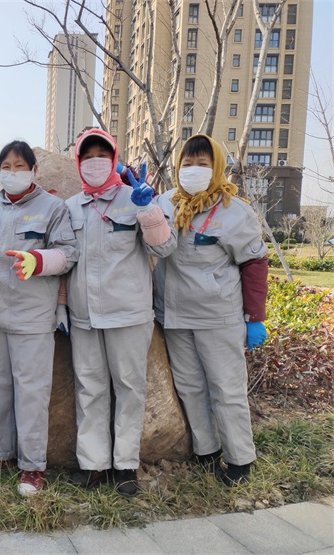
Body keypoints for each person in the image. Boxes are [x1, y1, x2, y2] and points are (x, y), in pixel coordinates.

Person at [0, 140, 78, 496]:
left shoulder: (53, 208)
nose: (12, 172)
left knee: (32, 392)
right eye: (5, 167)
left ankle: (32, 466)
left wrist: (39, 261)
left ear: (33, 170)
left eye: (19, 166)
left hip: (32, 316)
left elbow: (68, 253)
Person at [62, 128, 177, 497]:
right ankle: (93, 464)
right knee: (89, 389)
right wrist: (62, 306)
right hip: (84, 316)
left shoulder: (135, 198)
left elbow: (164, 248)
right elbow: (65, 259)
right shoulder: (70, 207)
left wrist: (148, 210)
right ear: (78, 162)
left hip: (128, 314)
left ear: (113, 159)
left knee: (129, 389)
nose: (95, 161)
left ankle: (126, 465)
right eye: (88, 155)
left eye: (102, 154)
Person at [154, 134, 268, 486]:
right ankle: (207, 450)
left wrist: (255, 317)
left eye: (202, 164)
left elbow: (254, 263)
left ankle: (240, 459)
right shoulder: (165, 203)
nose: (193, 170)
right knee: (190, 386)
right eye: (187, 163)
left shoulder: (234, 210)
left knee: (226, 389)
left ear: (216, 167)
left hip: (218, 315)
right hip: (174, 314)